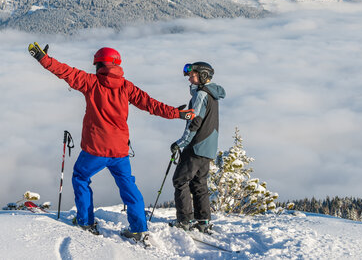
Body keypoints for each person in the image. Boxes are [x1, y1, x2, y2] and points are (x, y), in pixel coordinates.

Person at [27, 43, 195, 243]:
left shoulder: (91, 82)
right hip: (119, 151)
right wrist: (177, 113)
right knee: (128, 187)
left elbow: (65, 72)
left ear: (99, 64)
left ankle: (85, 221)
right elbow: (151, 105)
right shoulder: (126, 87)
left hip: (95, 150)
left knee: (81, 177)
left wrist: (43, 58)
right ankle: (139, 228)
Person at [170, 61, 225, 233]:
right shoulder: (212, 93)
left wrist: (180, 143)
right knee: (199, 183)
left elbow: (195, 123)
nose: (189, 79)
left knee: (180, 181)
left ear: (203, 75)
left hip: (195, 146)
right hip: (208, 147)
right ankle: (203, 221)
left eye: (192, 75)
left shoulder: (201, 94)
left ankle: (184, 221)